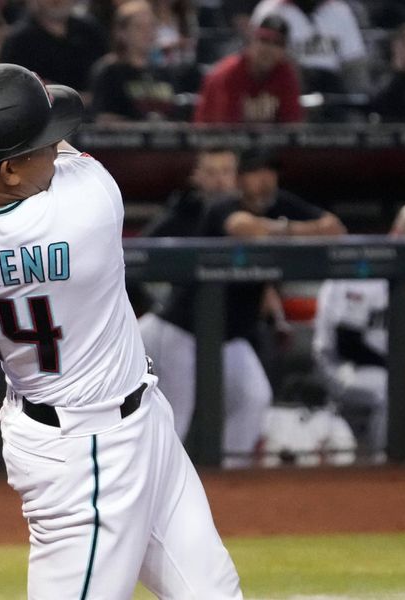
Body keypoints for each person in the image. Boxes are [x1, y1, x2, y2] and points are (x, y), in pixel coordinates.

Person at [0, 63, 242, 599]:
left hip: (123, 422)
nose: (55, 148)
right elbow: (57, 105)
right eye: (41, 144)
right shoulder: (88, 206)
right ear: (8, 170)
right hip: (84, 454)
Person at [141, 149, 346, 468]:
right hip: (177, 330)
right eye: (255, 174)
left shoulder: (281, 204)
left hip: (226, 335)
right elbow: (245, 228)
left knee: (253, 398)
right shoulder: (221, 205)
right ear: (240, 180)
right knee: (175, 416)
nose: (265, 182)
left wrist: (279, 230)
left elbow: (335, 228)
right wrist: (292, 232)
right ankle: (150, 494)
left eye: (270, 173)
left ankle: (227, 479)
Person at [313, 202, 405, 464]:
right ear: (397, 235)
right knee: (390, 390)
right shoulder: (360, 268)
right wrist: (401, 368)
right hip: (342, 366)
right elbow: (347, 344)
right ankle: (380, 466)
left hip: (393, 366)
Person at [89, 0, 200, 123]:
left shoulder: (164, 72)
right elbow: (104, 119)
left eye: (151, 26)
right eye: (139, 27)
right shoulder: (109, 71)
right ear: (121, 33)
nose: (147, 33)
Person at [194, 14, 304, 124]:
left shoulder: (286, 75)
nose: (269, 49)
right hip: (212, 137)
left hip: (267, 140)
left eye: (277, 44)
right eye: (264, 40)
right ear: (251, 41)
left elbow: (293, 126)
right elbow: (225, 130)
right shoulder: (228, 73)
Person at [251, 0, 369, 96]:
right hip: (285, 89)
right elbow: (259, 62)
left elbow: (354, 64)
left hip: (332, 91)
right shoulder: (270, 9)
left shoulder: (339, 10)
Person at [0, 0, 107, 96]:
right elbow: (13, 85)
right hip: (43, 112)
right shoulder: (18, 40)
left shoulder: (90, 30)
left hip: (93, 112)